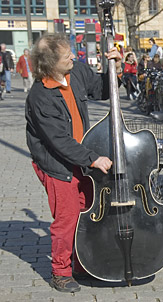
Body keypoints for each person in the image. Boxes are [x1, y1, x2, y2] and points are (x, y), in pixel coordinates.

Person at [25, 33, 122, 293]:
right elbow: (59, 142)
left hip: (82, 159)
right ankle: (60, 272)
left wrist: (116, 68)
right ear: (50, 63)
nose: (73, 56)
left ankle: (83, 265)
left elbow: (102, 89)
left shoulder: (76, 71)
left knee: (86, 213)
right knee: (66, 219)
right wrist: (93, 158)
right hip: (58, 166)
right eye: (66, 54)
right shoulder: (40, 97)